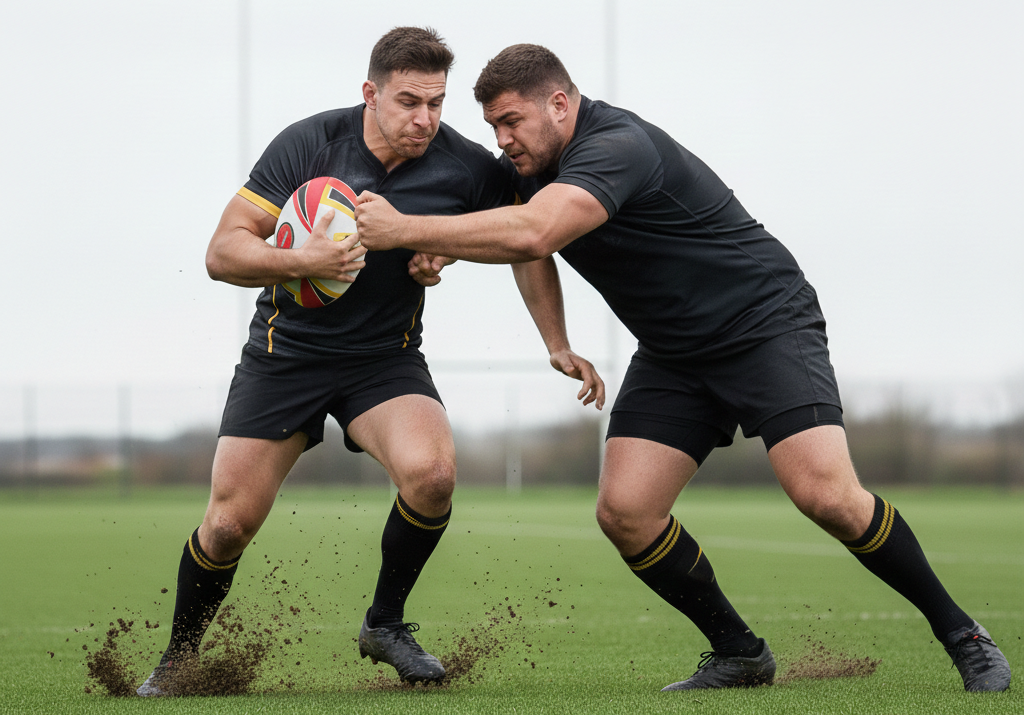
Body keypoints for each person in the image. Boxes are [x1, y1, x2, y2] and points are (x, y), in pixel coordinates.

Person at [352, 44, 1012, 693]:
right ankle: (739, 652)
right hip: (673, 350)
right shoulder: (529, 167)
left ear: (560, 103)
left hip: (763, 323)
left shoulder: (617, 147)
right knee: (627, 510)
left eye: (511, 121)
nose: (501, 140)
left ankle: (963, 634)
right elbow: (520, 232)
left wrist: (409, 230)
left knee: (829, 497)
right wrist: (553, 336)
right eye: (492, 126)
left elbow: (534, 233)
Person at [136, 30, 605, 696]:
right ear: (370, 93)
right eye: (409, 101)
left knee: (433, 475)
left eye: (436, 104)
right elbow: (223, 253)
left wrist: (547, 335)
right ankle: (178, 658)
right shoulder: (307, 144)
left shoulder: (466, 167)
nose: (424, 119)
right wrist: (305, 261)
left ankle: (385, 622)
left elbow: (526, 240)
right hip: (284, 357)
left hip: (384, 361)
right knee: (227, 524)